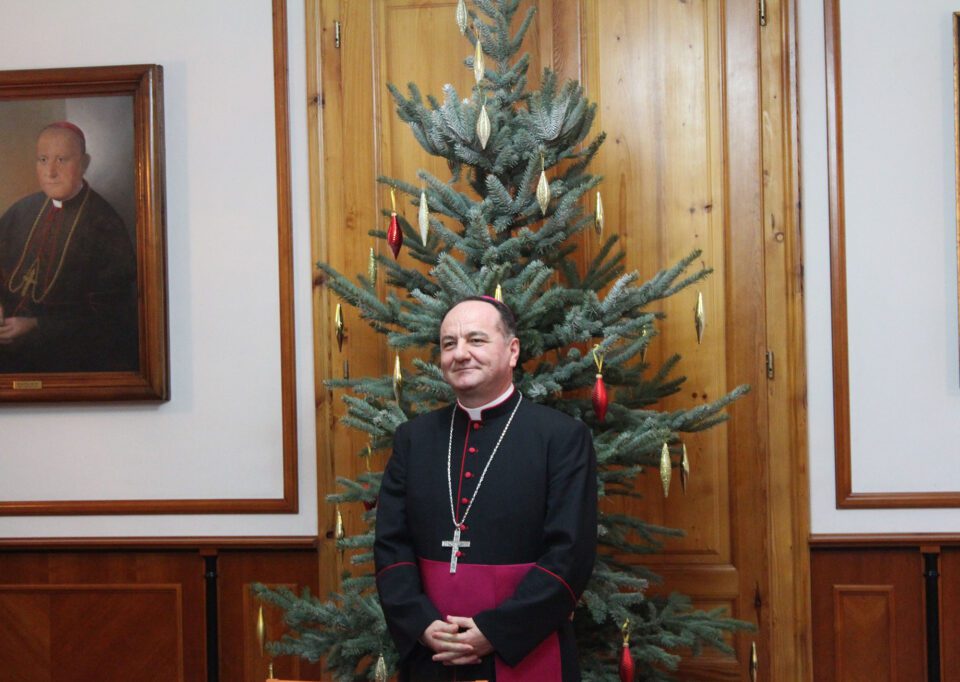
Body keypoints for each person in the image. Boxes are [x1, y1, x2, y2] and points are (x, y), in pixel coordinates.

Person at [375, 296, 598, 681]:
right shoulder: (414, 438)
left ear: (512, 351)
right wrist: (421, 623)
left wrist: (497, 631)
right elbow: (391, 544)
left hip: (527, 647)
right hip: (434, 650)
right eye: (449, 344)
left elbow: (570, 554)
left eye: (476, 341)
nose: (460, 354)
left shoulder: (561, 437)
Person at [0, 121, 138, 373]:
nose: (50, 171)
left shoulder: (105, 225)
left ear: (84, 164)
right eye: (43, 159)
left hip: (64, 360)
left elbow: (112, 319)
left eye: (61, 160)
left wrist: (36, 325)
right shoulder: (21, 212)